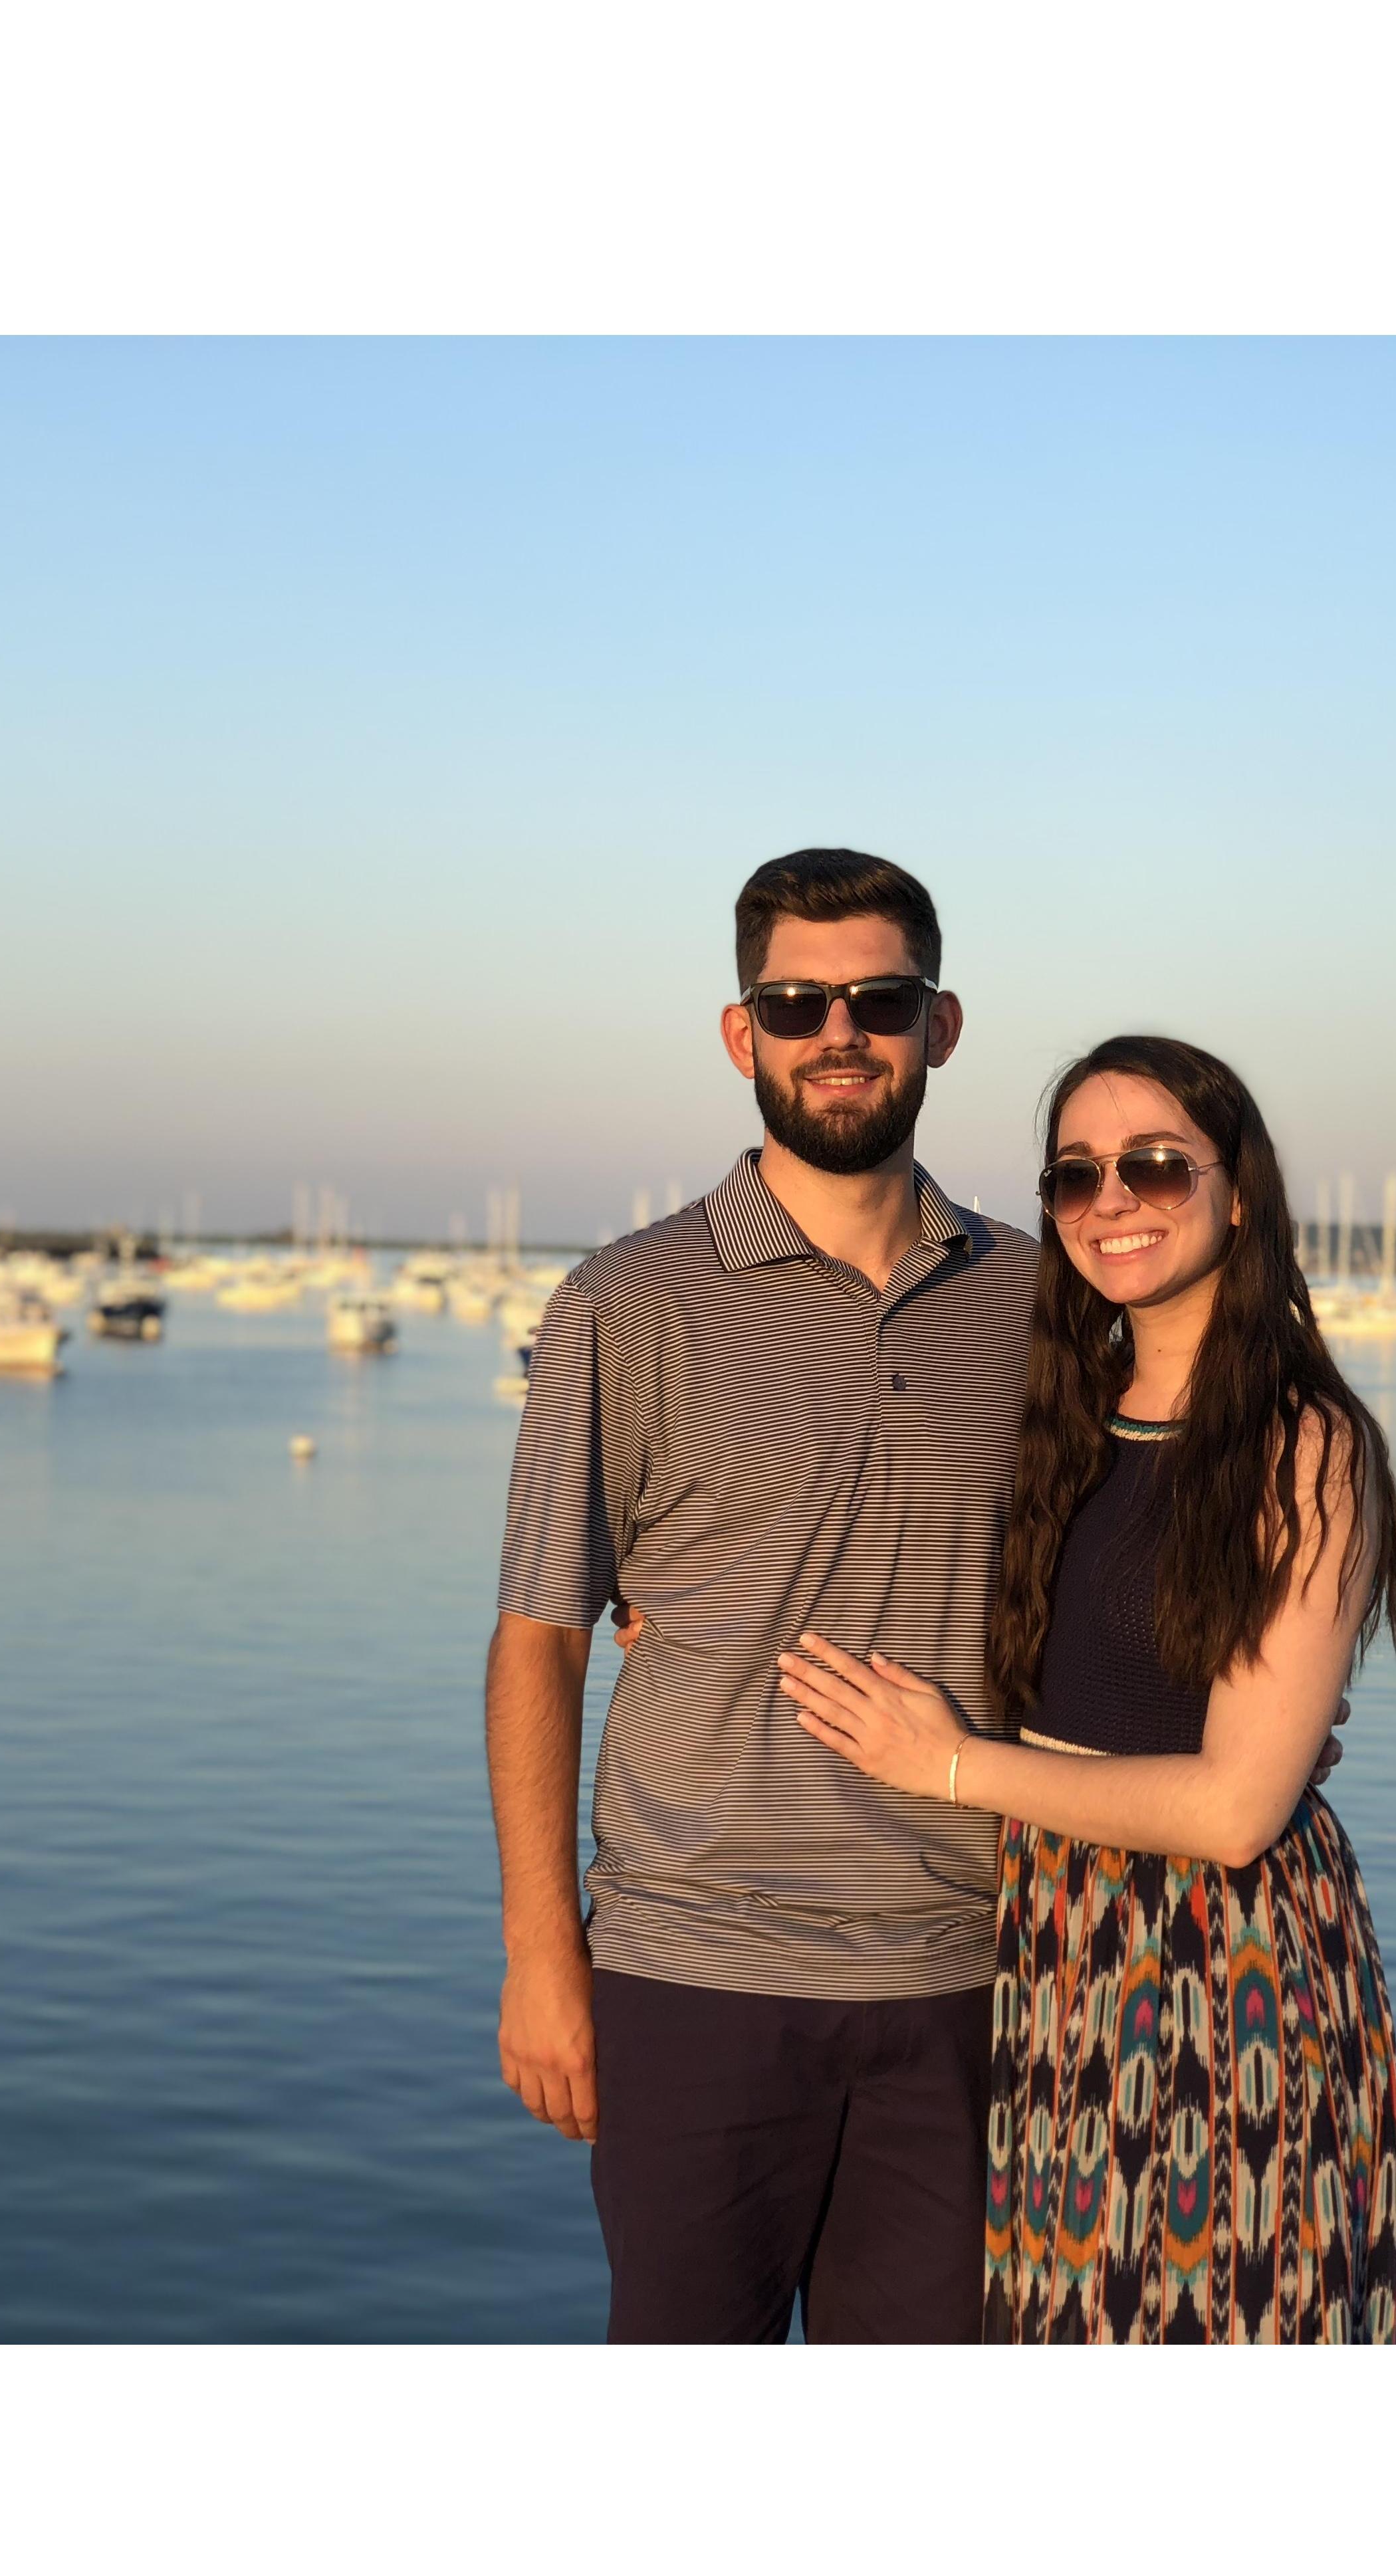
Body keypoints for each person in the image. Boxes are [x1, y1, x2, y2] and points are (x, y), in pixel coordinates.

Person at [486, 848, 1038, 2342]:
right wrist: (542, 1957)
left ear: (940, 1025)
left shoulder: (1035, 1300)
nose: (838, 1034)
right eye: (797, 1005)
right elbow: (540, 1640)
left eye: (880, 1000)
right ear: (744, 1034)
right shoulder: (624, 1302)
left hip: (967, 1980)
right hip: (692, 1975)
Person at [775, 1033, 1396, 2343]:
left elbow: (1235, 1809)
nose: (1111, 1200)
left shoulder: (1304, 1445)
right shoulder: (1067, 1417)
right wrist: (683, 1611)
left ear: (1240, 1192)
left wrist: (948, 1765)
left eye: (1156, 1166)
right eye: (1077, 1175)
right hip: (1057, 1944)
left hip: (1219, 1966)